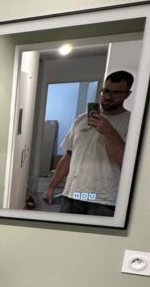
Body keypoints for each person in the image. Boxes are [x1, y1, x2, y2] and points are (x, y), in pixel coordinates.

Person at [43, 70, 134, 216]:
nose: (109, 97)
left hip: (105, 200)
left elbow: (126, 161)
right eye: (106, 91)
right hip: (73, 194)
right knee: (63, 235)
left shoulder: (132, 122)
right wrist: (51, 186)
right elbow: (68, 156)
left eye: (117, 93)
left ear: (127, 94)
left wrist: (109, 132)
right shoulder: (81, 119)